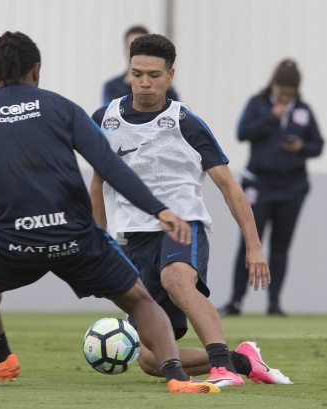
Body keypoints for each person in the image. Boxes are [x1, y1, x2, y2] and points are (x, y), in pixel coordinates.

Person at [0, 31, 221, 394]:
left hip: (15, 241)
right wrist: (158, 209)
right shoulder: (61, 108)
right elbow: (109, 166)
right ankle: (177, 377)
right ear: (37, 70)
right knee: (141, 300)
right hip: (77, 238)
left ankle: (1, 356)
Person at [90, 34, 291, 387]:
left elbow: (230, 187)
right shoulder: (103, 120)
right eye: (137, 73)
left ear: (170, 75)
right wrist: (98, 239)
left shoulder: (186, 123)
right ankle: (243, 361)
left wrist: (254, 246)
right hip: (134, 241)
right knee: (151, 358)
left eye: (154, 74)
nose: (144, 82)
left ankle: (221, 368)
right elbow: (98, 184)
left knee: (176, 279)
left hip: (182, 227)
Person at [218, 59, 325, 317]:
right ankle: (236, 301)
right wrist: (270, 117)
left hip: (292, 188)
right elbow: (242, 132)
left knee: (280, 246)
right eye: (282, 91)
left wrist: (301, 147)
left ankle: (274, 302)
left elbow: (318, 145)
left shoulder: (304, 110)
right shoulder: (258, 104)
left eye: (290, 93)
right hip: (259, 186)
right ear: (274, 84)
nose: (285, 97)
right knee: (249, 243)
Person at [101, 25, 179, 104]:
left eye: (154, 75)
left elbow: (175, 111)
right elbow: (108, 112)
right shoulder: (112, 86)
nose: (145, 83)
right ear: (125, 49)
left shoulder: (166, 87)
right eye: (132, 47)